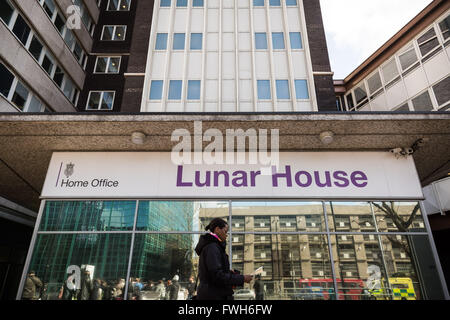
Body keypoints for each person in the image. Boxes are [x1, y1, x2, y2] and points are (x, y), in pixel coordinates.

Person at [195, 218, 253, 300]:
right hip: (214, 296)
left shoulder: (214, 247)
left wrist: (228, 272)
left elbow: (214, 273)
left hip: (213, 294)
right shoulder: (212, 248)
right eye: (225, 231)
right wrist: (242, 278)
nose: (227, 235)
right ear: (217, 229)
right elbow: (217, 276)